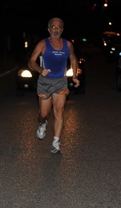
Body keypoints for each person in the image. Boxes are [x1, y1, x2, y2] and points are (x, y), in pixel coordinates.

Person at [28, 17, 80, 154]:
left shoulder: (68, 45)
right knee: (44, 113)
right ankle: (42, 123)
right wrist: (40, 70)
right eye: (53, 27)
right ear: (49, 29)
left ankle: (56, 142)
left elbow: (73, 59)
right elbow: (31, 62)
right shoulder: (43, 44)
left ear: (62, 30)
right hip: (45, 82)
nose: (56, 30)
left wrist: (74, 75)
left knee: (59, 111)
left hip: (60, 82)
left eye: (58, 27)